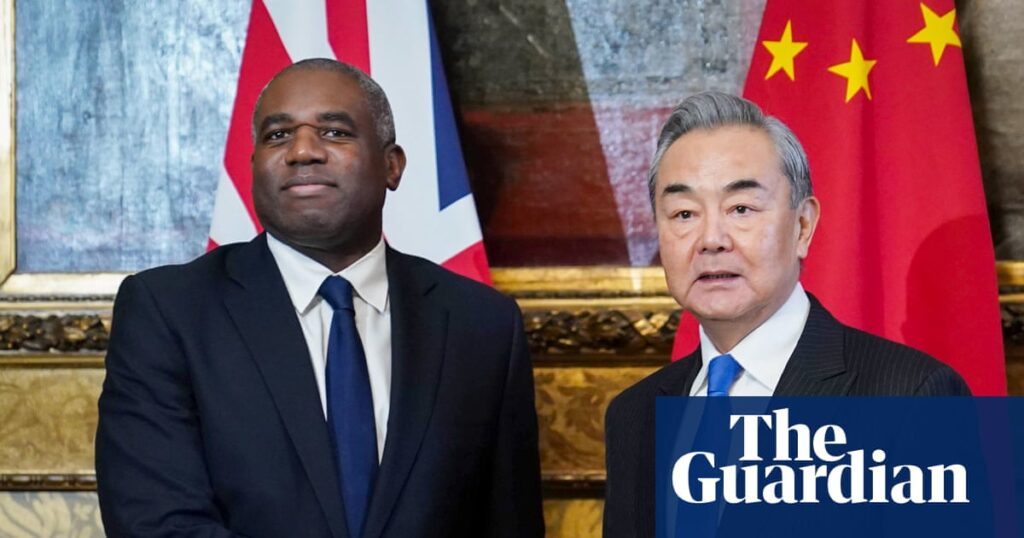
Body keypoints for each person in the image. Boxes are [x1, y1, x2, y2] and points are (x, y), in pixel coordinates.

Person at [96, 58, 544, 538]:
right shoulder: (169, 312)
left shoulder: (482, 324)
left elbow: (509, 523)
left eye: (334, 132)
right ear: (253, 167)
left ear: (392, 165)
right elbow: (158, 524)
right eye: (277, 135)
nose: (302, 151)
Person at [602, 91, 969, 537]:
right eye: (683, 214)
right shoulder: (634, 415)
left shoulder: (910, 398)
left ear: (802, 226)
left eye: (741, 209)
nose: (711, 239)